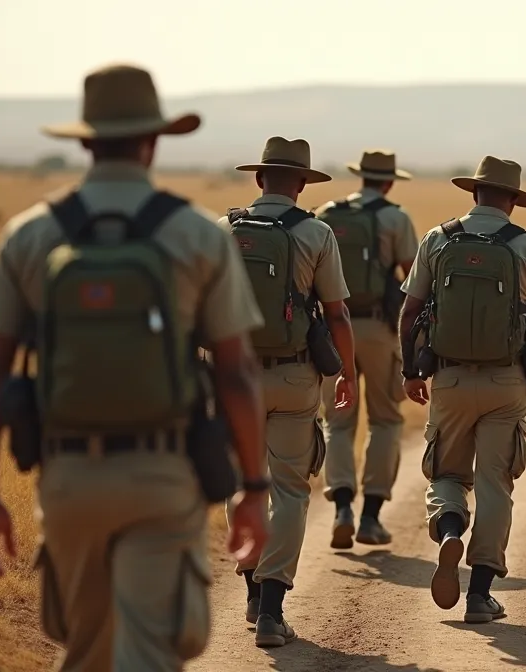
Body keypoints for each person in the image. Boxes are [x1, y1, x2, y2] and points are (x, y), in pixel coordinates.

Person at [0, 63, 269, 672]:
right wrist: (255, 489)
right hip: (164, 478)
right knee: (150, 655)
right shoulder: (197, 234)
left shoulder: (28, 235)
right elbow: (236, 374)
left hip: (68, 480)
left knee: (85, 653)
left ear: (84, 141)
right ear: (154, 140)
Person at [399, 156, 526, 624]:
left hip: (448, 379)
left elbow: (409, 313)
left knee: (446, 473)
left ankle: (450, 526)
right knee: (496, 485)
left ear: (474, 193)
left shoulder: (438, 238)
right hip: (507, 382)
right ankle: (480, 595)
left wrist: (411, 371)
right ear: (512, 201)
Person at [222, 136, 358, 648]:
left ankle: (252, 581)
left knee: (241, 478)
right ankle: (273, 609)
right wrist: (344, 372)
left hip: (236, 377)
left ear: (259, 179)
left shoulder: (223, 231)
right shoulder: (317, 233)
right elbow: (338, 312)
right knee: (291, 490)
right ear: (302, 184)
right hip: (295, 377)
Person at [314, 150, 418, 550]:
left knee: (337, 422)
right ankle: (371, 518)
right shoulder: (396, 217)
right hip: (377, 328)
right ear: (389, 182)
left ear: (362, 178)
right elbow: (412, 279)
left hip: (332, 331)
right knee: (386, 420)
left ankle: (341, 508)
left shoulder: (326, 212)